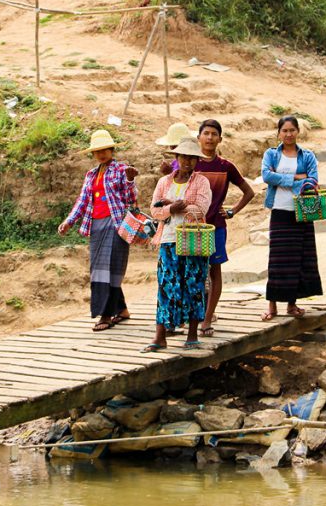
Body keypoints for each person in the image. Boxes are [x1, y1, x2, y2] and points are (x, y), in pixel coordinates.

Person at [58, 129, 138, 331]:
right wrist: (69, 221)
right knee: (99, 270)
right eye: (97, 151)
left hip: (116, 224)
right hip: (96, 226)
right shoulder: (91, 175)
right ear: (93, 154)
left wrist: (130, 181)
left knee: (110, 269)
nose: (101, 154)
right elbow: (83, 201)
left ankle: (105, 315)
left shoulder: (121, 170)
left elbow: (131, 199)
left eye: (105, 150)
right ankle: (121, 310)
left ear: (111, 150)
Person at [142, 137, 213, 352]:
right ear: (177, 157)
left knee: (193, 285)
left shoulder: (202, 182)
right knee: (166, 286)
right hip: (168, 239)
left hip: (192, 239)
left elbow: (201, 208)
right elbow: (154, 210)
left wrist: (172, 205)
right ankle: (160, 336)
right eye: (184, 157)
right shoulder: (164, 182)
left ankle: (192, 335)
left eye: (192, 158)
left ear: (196, 161)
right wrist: (171, 209)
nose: (188, 162)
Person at [195, 119, 256, 336]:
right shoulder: (189, 163)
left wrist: (232, 211)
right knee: (192, 271)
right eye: (206, 133)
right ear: (198, 137)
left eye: (214, 134)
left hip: (216, 228)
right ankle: (195, 315)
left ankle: (208, 318)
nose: (210, 137)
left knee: (214, 271)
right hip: (191, 229)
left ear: (220, 139)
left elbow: (249, 192)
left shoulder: (225, 166)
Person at [260, 116, 323, 320]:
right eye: (284, 130)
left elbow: (313, 179)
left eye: (292, 130)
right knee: (277, 260)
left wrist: (285, 180)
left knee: (299, 259)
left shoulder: (307, 156)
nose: (288, 134)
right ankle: (272, 306)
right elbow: (266, 176)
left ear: (298, 132)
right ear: (279, 133)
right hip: (279, 210)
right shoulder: (271, 154)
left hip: (302, 212)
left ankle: (291, 304)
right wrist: (297, 178)